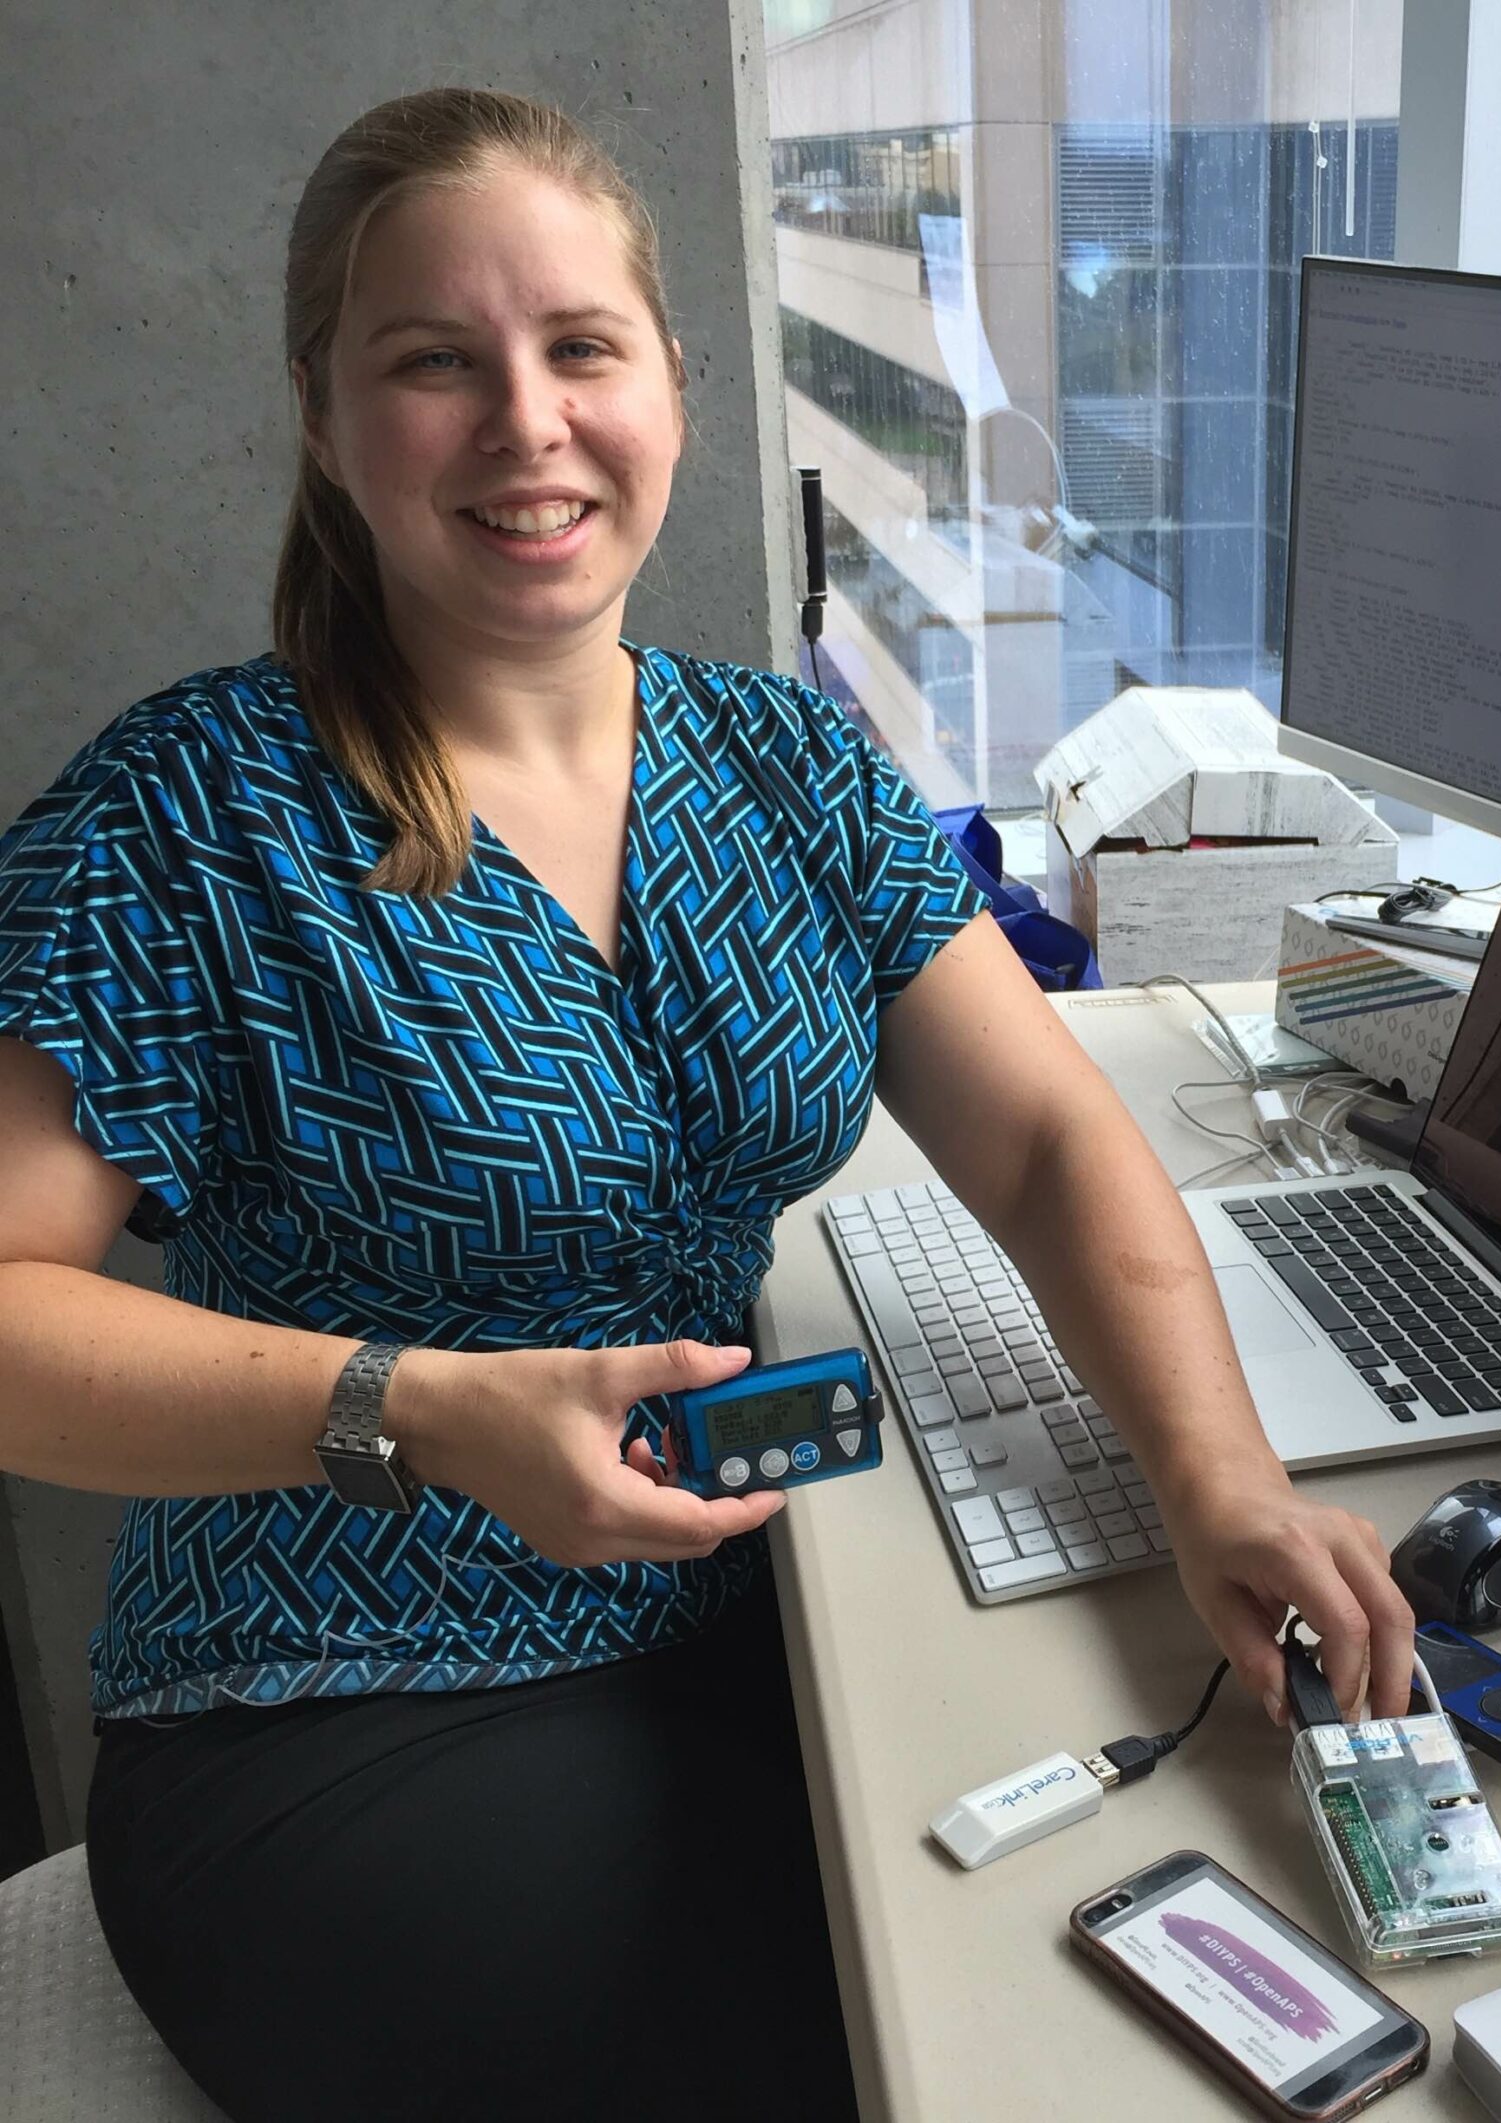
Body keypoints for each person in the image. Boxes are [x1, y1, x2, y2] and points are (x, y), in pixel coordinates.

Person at [0, 87, 1413, 2121]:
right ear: (326, 415)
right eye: (433, 362)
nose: (524, 422)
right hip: (340, 1707)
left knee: (1144, 1959)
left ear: (671, 379)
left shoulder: (786, 766)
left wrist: (1215, 1480)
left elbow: (1035, 1134)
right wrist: (426, 1411)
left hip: (754, 1609)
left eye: (580, 346)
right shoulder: (186, 819)